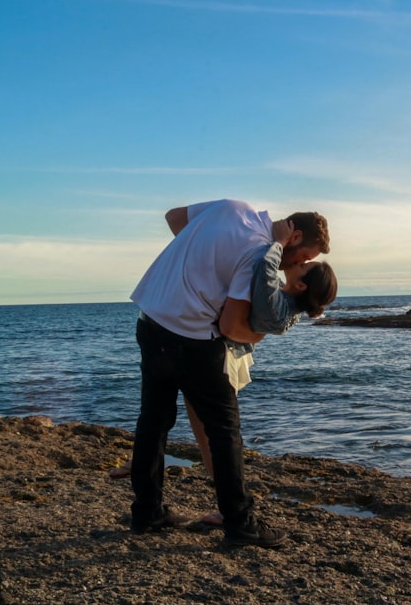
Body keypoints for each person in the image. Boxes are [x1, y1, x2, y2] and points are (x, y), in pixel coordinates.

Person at [128, 199, 330, 547]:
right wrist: (257, 335)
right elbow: (231, 325)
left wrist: (203, 261)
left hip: (150, 319)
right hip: (191, 337)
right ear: (293, 237)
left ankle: (147, 511)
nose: (299, 264)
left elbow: (174, 218)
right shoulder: (257, 253)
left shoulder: (233, 208)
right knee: (224, 431)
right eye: (304, 257)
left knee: (154, 421)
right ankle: (240, 522)